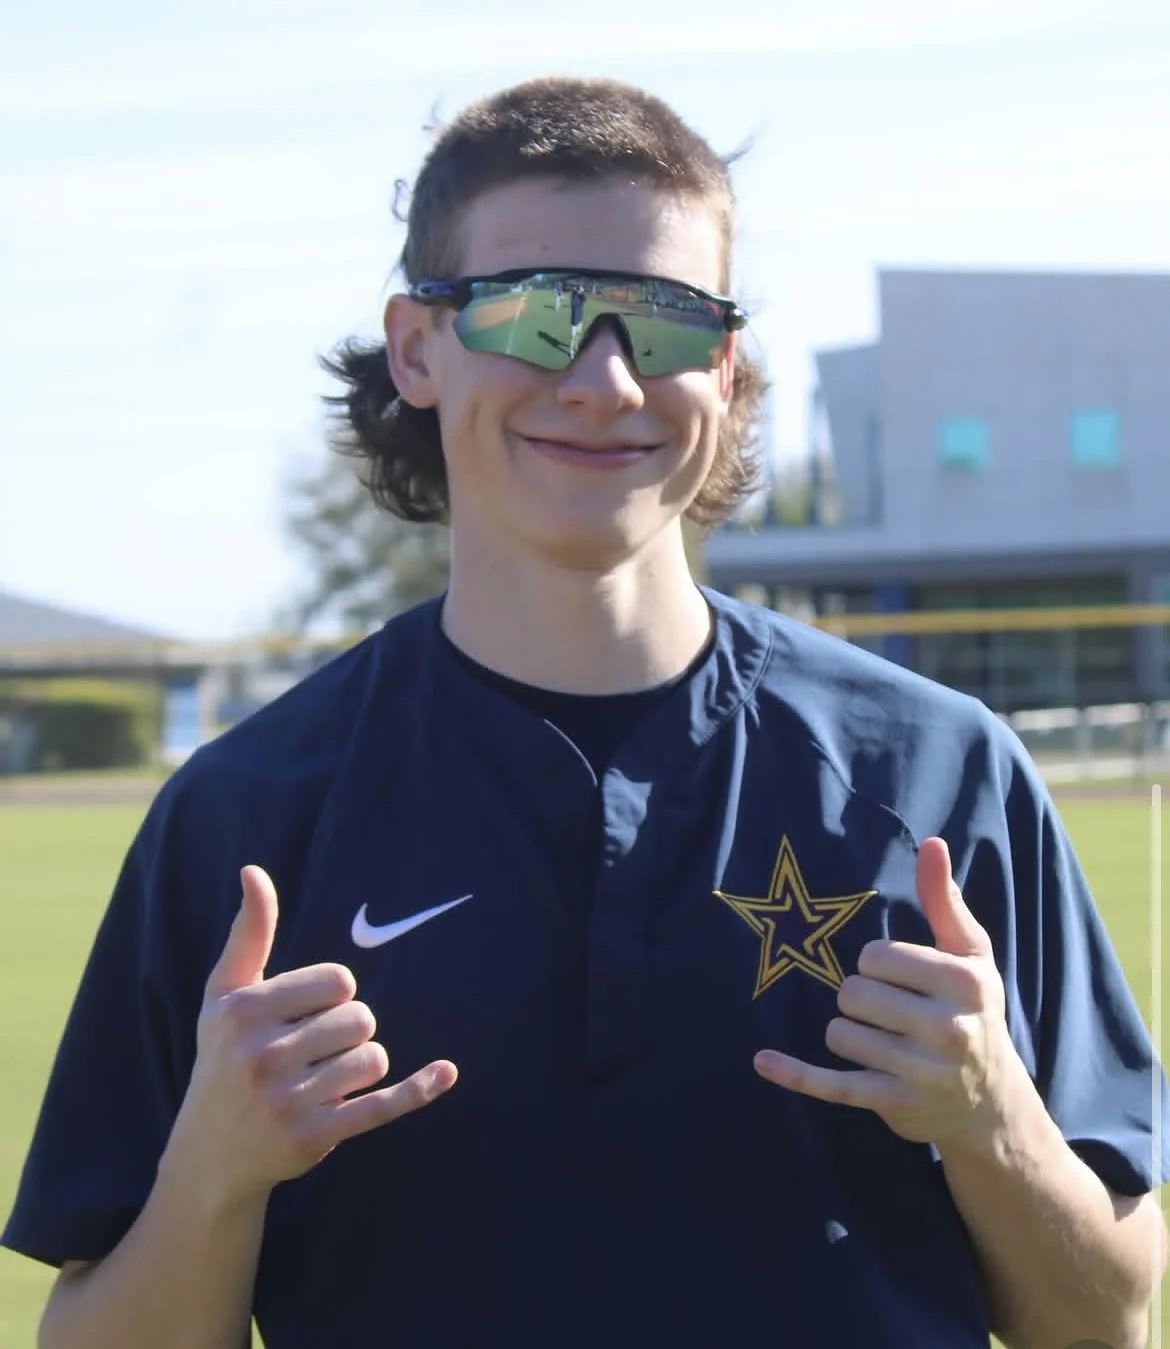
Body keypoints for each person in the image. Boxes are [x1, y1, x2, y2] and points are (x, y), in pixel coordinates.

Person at [3, 75, 1167, 1349]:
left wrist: (992, 1115)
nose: (607, 380)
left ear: (724, 367)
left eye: (664, 324)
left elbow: (1104, 1315)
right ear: (416, 347)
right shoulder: (244, 811)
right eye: (536, 313)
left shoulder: (944, 773)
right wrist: (211, 1174)